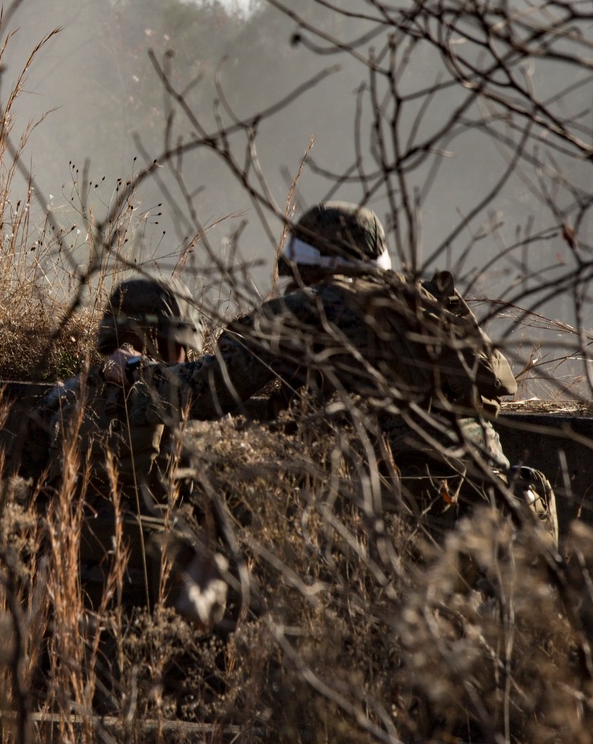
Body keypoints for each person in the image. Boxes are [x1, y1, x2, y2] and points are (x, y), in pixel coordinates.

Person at [125, 200, 557, 543]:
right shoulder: (428, 304)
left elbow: (203, 392)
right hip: (501, 509)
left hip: (408, 526)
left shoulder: (314, 308)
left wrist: (131, 370)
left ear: (317, 265)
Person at [32, 275, 241, 626]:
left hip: (68, 593)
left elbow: (31, 494)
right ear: (175, 340)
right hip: (164, 595)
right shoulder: (191, 408)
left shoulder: (61, 401)